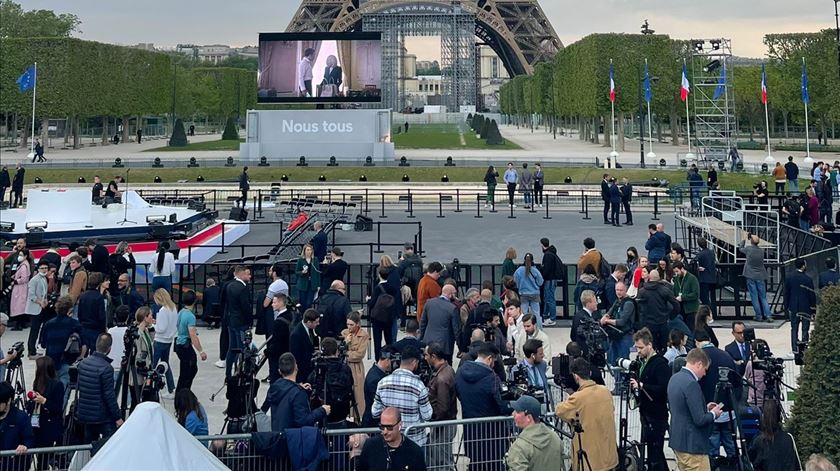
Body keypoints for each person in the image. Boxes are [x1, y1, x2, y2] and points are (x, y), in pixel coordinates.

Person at [555, 357, 618, 471]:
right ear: (590, 373)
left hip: (589, 461)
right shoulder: (605, 391)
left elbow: (559, 411)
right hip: (608, 456)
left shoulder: (577, 398)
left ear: (576, 376)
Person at [455, 341, 511, 469]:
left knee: (475, 464)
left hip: (471, 430)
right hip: (493, 434)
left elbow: (458, 393)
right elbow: (502, 405)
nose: (494, 365)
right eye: (494, 361)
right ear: (490, 359)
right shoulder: (492, 378)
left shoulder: (460, 372)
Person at [668, 348, 723, 471]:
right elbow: (700, 420)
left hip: (678, 442)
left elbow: (681, 408)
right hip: (693, 446)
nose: (704, 374)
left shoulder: (674, 378)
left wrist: (704, 407)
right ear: (699, 364)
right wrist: (713, 414)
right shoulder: (692, 384)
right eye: (705, 369)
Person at [695, 330, 742, 466]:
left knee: (712, 446)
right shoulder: (726, 356)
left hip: (710, 410)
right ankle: (735, 466)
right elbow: (737, 382)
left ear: (697, 342)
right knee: (731, 444)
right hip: (728, 408)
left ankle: (714, 466)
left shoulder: (700, 360)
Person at [371, 346, 432, 446]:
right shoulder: (419, 386)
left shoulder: (382, 383)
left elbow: (375, 412)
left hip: (390, 441)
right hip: (415, 442)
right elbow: (427, 415)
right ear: (414, 362)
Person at [630, 329, 671, 471]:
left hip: (657, 415)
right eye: (637, 347)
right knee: (652, 451)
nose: (638, 351)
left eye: (641, 347)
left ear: (650, 345)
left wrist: (642, 386)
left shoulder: (660, 364)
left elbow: (664, 388)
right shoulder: (642, 362)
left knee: (655, 452)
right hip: (646, 413)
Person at [260, 352, 329, 431]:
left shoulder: (274, 388)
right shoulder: (298, 394)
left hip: (278, 434)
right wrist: (322, 410)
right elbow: (303, 420)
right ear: (296, 367)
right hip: (293, 436)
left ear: (279, 371)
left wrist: (297, 386)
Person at [77, 333, 124, 443]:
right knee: (110, 442)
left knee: (88, 443)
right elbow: (109, 396)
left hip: (85, 413)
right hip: (101, 415)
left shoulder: (83, 364)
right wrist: (117, 417)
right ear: (109, 349)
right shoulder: (106, 368)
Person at [505, 395, 565, 471]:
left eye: (517, 411)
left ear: (529, 418)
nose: (513, 414)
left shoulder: (519, 447)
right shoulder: (555, 437)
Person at [356, 407, 427, 471]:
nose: (385, 431)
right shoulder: (370, 446)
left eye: (389, 427)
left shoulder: (414, 452)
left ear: (400, 425)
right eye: (382, 427)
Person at [424, 342, 457, 468]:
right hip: (443, 424)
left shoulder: (442, 378)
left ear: (433, 356)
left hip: (443, 426)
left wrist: (433, 420)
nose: (425, 358)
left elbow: (443, 408)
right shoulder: (446, 370)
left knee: (443, 461)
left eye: (426, 355)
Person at [307, 337, 354, 426]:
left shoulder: (319, 369)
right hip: (342, 411)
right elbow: (350, 385)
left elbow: (311, 383)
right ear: (337, 351)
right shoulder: (345, 369)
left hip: (323, 412)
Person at [30, 356, 65, 462]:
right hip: (37, 422)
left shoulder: (57, 385)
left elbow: (58, 408)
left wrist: (44, 401)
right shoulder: (38, 382)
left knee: (43, 458)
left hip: (49, 426)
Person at [601, 281, 636, 387]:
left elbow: (622, 322)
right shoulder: (617, 301)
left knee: (623, 362)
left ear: (626, 290)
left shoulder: (628, 303)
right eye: (617, 290)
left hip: (625, 336)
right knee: (613, 361)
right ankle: (617, 385)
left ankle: (623, 385)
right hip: (615, 336)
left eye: (621, 290)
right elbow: (610, 312)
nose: (618, 292)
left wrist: (607, 321)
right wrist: (605, 317)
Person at [638, 270, 680, 352]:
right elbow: (676, 304)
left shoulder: (642, 291)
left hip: (648, 324)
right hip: (663, 323)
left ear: (649, 277)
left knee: (650, 349)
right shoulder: (665, 290)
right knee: (664, 349)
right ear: (659, 278)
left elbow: (639, 308)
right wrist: (671, 316)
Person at [419, 284, 460, 364]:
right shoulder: (452, 308)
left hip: (428, 342)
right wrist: (460, 347)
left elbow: (423, 323)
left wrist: (421, 338)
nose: (455, 296)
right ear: (450, 294)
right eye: (454, 293)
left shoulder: (429, 303)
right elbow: (456, 330)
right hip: (445, 346)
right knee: (445, 368)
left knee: (427, 366)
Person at [223, 265, 252, 379]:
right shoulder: (242, 288)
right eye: (246, 274)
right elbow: (246, 307)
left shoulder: (229, 286)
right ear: (241, 274)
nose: (248, 276)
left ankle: (228, 374)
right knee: (242, 348)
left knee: (232, 348)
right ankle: (239, 372)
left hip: (231, 321)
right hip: (241, 323)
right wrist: (249, 322)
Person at [174, 290, 206, 391]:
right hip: (185, 345)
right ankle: (184, 392)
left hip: (179, 344)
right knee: (189, 371)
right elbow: (193, 335)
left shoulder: (181, 312)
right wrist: (201, 351)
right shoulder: (190, 316)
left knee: (185, 371)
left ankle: (182, 392)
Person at [0, 381, 33, 471]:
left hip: (13, 465)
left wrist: (25, 446)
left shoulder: (21, 418)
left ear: (8, 401)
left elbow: (29, 439)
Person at [343, 311, 369, 422]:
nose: (349, 327)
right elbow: (339, 350)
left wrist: (346, 353)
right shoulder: (344, 333)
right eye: (347, 324)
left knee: (358, 394)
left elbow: (359, 355)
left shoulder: (364, 335)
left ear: (357, 324)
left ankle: (358, 419)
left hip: (356, 368)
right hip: (345, 367)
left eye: (351, 324)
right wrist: (345, 343)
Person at [785, 259, 815, 353]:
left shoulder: (789, 278)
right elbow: (811, 295)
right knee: (805, 328)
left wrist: (786, 306)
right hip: (806, 306)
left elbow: (786, 293)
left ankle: (794, 348)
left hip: (793, 305)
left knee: (794, 328)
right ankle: (804, 347)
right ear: (803, 266)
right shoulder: (808, 279)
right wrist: (813, 308)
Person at [740, 233, 772, 322]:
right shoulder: (761, 251)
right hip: (760, 275)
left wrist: (743, 240)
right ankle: (768, 315)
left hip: (750, 275)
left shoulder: (748, 249)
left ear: (751, 241)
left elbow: (740, 248)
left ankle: (759, 316)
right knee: (763, 297)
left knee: (754, 296)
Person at [152, 288, 177, 398]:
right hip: (169, 340)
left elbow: (161, 328)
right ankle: (171, 389)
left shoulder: (163, 310)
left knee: (153, 365)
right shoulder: (173, 308)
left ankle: (151, 387)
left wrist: (153, 326)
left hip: (160, 340)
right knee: (165, 364)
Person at [361, 348, 393, 427]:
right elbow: (379, 402)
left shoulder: (376, 373)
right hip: (372, 423)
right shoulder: (375, 378)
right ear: (387, 360)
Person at [77, 272, 107, 352]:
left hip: (84, 327)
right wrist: (103, 330)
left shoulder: (83, 296)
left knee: (84, 350)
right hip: (95, 329)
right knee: (95, 350)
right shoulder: (99, 297)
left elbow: (79, 313)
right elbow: (101, 316)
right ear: (99, 284)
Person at [290, 308, 321, 385]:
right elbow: (296, 359)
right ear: (309, 322)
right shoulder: (296, 335)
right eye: (316, 322)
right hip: (302, 375)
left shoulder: (311, 329)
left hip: (310, 371)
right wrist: (299, 380)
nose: (318, 324)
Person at [25, 260, 49, 357]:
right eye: (42, 268)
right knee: (34, 331)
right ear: (38, 269)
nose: (44, 270)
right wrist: (40, 302)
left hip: (41, 307)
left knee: (38, 329)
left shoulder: (44, 279)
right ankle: (31, 352)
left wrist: (45, 300)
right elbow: (31, 295)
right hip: (35, 308)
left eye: (46, 268)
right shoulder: (34, 280)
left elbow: (44, 292)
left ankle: (34, 350)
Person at [539, 238, 563, 326]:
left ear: (542, 245)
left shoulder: (547, 255)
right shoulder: (552, 253)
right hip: (553, 279)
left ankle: (552, 318)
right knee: (548, 298)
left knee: (549, 298)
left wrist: (542, 274)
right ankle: (546, 316)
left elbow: (547, 269)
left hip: (549, 279)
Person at [514, 253, 544, 323]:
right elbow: (540, 282)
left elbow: (516, 282)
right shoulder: (535, 270)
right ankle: (538, 328)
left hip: (523, 294)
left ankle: (524, 327)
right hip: (535, 294)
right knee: (536, 313)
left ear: (524, 260)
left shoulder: (519, 270)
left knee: (523, 313)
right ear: (532, 260)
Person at [9, 247, 32, 331]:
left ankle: (18, 325)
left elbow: (23, 278)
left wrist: (15, 281)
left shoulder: (24, 266)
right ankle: (22, 323)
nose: (19, 256)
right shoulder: (24, 264)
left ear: (25, 256)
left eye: (21, 255)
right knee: (21, 306)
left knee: (19, 306)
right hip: (21, 288)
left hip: (20, 288)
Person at [673, 261, 700, 329]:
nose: (676, 274)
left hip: (690, 309)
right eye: (675, 272)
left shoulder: (692, 278)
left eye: (677, 271)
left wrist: (683, 297)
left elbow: (696, 294)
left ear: (682, 269)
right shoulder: (677, 279)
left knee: (691, 328)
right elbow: (674, 291)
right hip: (680, 309)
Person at [295, 244, 321, 312]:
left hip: (312, 284)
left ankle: (308, 315)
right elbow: (296, 272)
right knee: (302, 302)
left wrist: (318, 285)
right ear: (304, 251)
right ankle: (302, 315)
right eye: (307, 250)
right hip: (303, 284)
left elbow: (317, 273)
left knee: (309, 303)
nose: (309, 251)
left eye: (310, 250)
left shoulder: (315, 260)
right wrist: (302, 272)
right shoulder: (301, 260)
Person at [695, 239, 717, 316]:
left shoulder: (700, 254)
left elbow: (694, 262)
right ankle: (712, 313)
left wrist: (698, 268)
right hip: (712, 277)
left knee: (704, 297)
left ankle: (708, 314)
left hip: (704, 278)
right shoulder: (711, 252)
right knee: (711, 297)